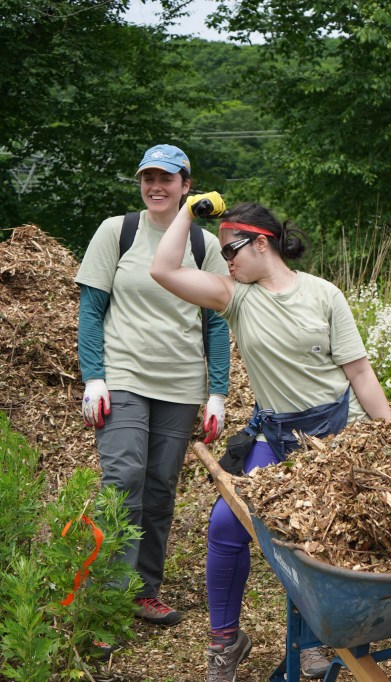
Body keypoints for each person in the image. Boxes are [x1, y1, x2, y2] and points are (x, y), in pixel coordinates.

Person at [150, 198, 391, 681]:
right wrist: (188, 212)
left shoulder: (324, 294)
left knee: (316, 540)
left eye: (231, 250)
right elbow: (163, 270)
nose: (226, 260)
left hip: (335, 435)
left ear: (262, 243)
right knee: (225, 525)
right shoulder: (236, 297)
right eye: (222, 253)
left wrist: (389, 434)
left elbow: (360, 373)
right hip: (276, 435)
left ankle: (315, 642)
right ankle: (225, 641)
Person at [75, 144, 231, 629]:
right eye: (148, 178)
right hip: (123, 375)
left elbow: (217, 322)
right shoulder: (117, 232)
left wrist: (218, 392)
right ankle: (108, 599)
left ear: (187, 186)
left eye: (167, 178)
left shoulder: (204, 245)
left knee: (161, 488)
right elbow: (91, 310)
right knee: (124, 479)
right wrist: (94, 378)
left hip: (181, 384)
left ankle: (143, 591)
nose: (156, 187)